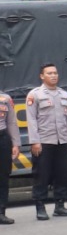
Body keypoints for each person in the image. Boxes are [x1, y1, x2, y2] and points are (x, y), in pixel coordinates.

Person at [26, 63, 67, 221]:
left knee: (62, 174)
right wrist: (35, 141)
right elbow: (31, 120)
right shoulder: (35, 95)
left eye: (55, 72)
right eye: (49, 73)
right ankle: (40, 207)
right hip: (44, 141)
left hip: (61, 141)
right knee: (41, 175)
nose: (53, 75)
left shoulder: (64, 94)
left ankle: (60, 206)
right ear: (42, 76)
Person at [0, 89, 18, 225]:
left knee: (3, 176)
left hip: (3, 139)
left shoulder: (5, 98)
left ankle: (1, 212)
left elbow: (11, 122)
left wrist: (15, 144)